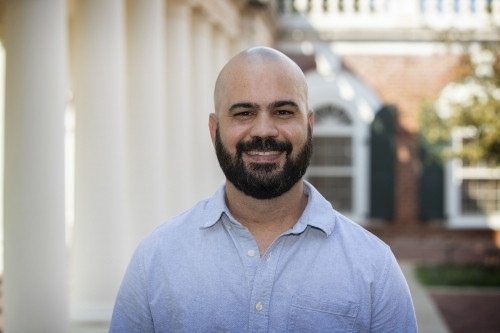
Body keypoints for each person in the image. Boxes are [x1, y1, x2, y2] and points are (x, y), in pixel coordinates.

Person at [110, 46, 417, 332]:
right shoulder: (155, 260)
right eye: (244, 113)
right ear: (215, 130)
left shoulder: (375, 268)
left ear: (310, 125)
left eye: (283, 112)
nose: (264, 131)